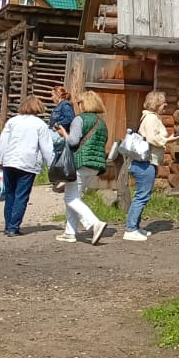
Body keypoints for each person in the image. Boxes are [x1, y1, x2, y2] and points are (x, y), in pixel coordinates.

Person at [0, 94, 55, 236]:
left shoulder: (12, 121)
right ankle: (13, 227)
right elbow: (46, 148)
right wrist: (52, 166)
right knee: (21, 195)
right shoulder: (40, 125)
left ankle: (8, 225)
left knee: (10, 194)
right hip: (28, 163)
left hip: (10, 161)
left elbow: (3, 142)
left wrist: (0, 159)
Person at [55, 91, 110, 244]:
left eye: (79, 103)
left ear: (84, 104)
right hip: (95, 165)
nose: (77, 105)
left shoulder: (79, 119)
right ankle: (70, 232)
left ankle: (94, 223)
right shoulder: (101, 123)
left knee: (70, 198)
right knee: (74, 197)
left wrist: (64, 133)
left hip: (79, 162)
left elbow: (73, 142)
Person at [123, 90, 175, 242]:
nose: (165, 105)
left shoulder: (149, 117)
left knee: (142, 195)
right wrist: (168, 140)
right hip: (145, 163)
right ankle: (130, 229)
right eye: (163, 102)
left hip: (144, 163)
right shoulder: (151, 118)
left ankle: (135, 227)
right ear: (157, 103)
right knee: (142, 196)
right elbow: (152, 138)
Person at [47, 86, 75, 193]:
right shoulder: (61, 105)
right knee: (55, 156)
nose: (51, 98)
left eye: (52, 95)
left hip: (60, 134)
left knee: (48, 153)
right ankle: (57, 179)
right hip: (56, 133)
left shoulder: (65, 104)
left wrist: (58, 125)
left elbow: (70, 118)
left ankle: (57, 179)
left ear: (57, 94)